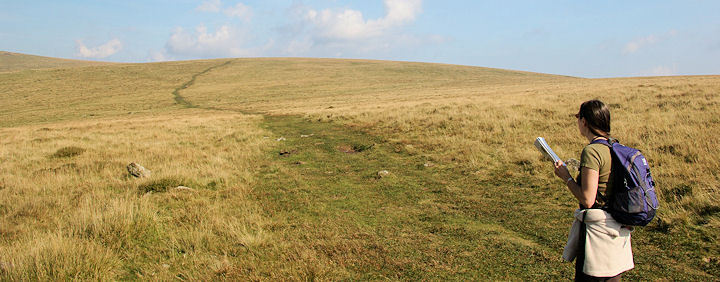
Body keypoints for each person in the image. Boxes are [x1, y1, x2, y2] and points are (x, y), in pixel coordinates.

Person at [553, 100, 634, 281]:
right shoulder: (615, 148)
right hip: (617, 233)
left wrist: (566, 177)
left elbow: (588, 199)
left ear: (584, 122)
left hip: (597, 238)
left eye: (579, 118)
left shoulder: (592, 152)